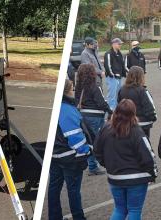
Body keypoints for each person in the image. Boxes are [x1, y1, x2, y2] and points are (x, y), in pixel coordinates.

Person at [94, 99, 158, 220]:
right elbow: (148, 156)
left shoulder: (105, 128)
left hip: (115, 177)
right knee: (134, 210)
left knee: (119, 209)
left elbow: (97, 151)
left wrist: (108, 165)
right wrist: (153, 174)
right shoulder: (137, 132)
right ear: (133, 113)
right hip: (136, 179)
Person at [48, 79, 92, 220]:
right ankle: (79, 217)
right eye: (72, 89)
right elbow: (75, 137)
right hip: (69, 157)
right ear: (67, 91)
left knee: (54, 189)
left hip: (54, 155)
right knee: (73, 191)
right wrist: (87, 150)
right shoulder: (66, 109)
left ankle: (54, 216)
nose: (74, 91)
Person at [75, 63, 112, 175]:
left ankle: (92, 165)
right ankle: (95, 166)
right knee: (97, 142)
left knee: (89, 141)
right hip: (95, 117)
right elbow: (101, 103)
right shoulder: (95, 86)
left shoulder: (78, 86)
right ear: (91, 73)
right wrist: (110, 111)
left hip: (82, 116)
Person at [118, 66, 157, 138]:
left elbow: (119, 105)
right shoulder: (142, 91)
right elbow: (150, 108)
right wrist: (153, 118)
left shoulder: (122, 90)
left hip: (127, 123)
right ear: (141, 77)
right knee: (144, 146)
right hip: (142, 124)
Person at [104, 38, 126, 110]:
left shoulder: (119, 54)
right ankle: (111, 111)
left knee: (118, 95)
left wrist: (123, 74)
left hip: (119, 78)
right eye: (119, 44)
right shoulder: (108, 54)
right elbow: (107, 66)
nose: (120, 45)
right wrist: (112, 75)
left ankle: (116, 110)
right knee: (111, 96)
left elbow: (122, 65)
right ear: (113, 44)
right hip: (112, 78)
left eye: (121, 44)